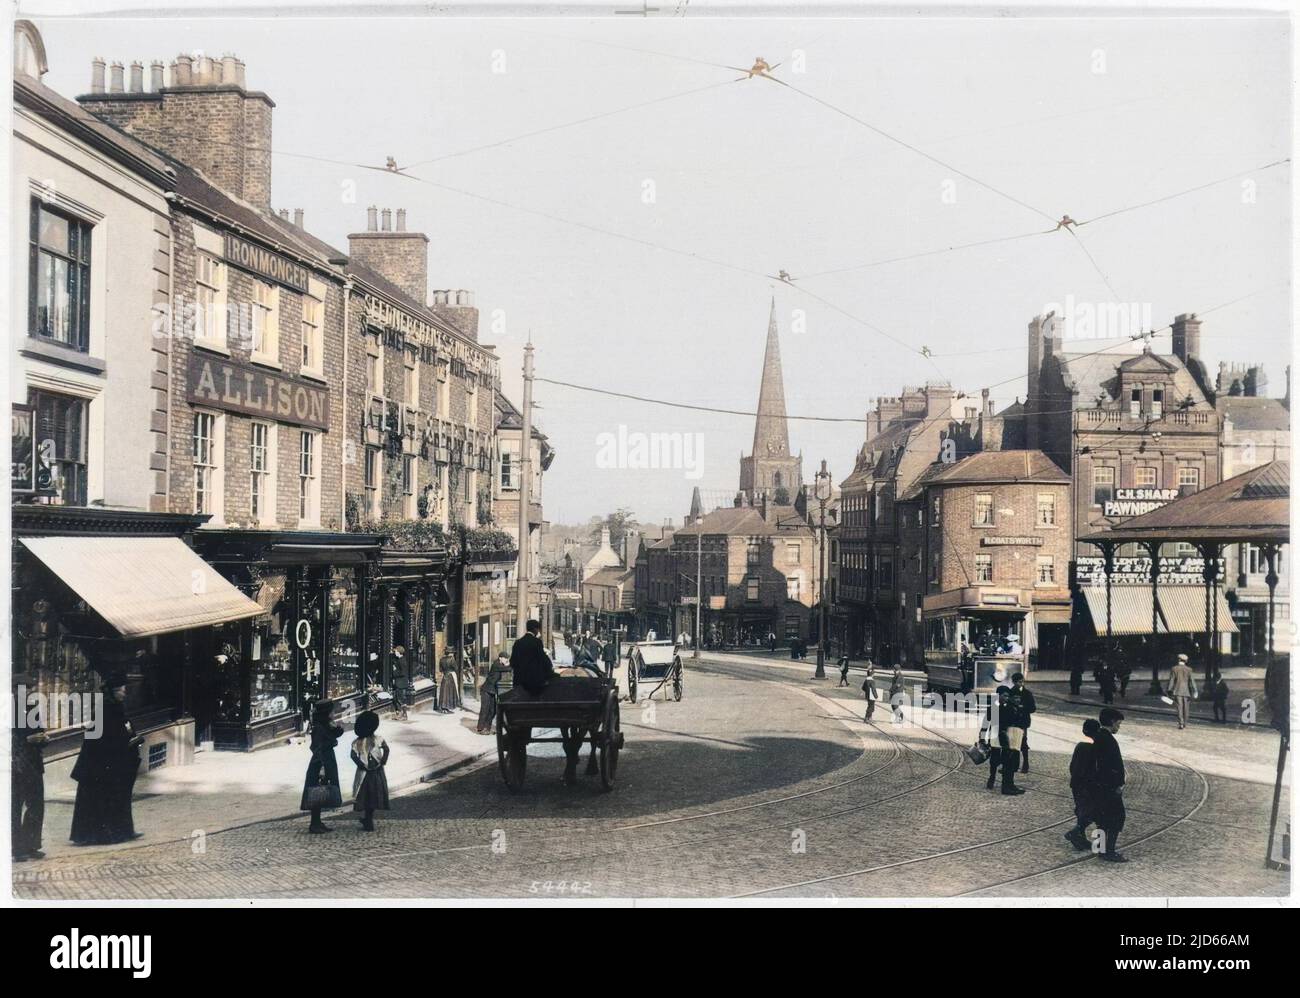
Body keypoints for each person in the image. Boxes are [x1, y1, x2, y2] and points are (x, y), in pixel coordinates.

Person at [70, 671, 143, 846]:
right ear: (113, 691)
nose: (124, 693)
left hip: (111, 761)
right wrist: (126, 739)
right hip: (100, 764)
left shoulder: (115, 707)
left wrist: (130, 737)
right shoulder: (104, 709)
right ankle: (100, 834)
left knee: (119, 795)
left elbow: (124, 728)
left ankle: (123, 830)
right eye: (121, 690)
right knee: (104, 798)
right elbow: (102, 737)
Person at [12, 678, 48, 861]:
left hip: (33, 764)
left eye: (28, 689)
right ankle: (16, 849)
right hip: (15, 766)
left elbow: (40, 730)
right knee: (14, 807)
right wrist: (27, 741)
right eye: (22, 689)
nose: (26, 692)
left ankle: (31, 845)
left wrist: (43, 738)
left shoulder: (33, 708)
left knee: (36, 805)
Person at [300, 700, 344, 834]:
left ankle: (317, 822)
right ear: (327, 712)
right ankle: (314, 823)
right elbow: (316, 747)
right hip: (321, 762)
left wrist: (334, 726)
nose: (334, 713)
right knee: (317, 791)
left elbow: (337, 734)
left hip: (327, 759)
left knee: (322, 791)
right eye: (332, 711)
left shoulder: (325, 725)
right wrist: (322, 768)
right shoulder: (319, 728)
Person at [1091, 707, 1127, 861]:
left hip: (1099, 786)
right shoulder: (1108, 740)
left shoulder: (1099, 736)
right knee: (1117, 817)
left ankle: (1100, 849)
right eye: (1118, 724)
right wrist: (1118, 785)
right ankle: (1108, 852)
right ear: (1112, 722)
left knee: (1102, 818)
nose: (1118, 727)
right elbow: (1111, 766)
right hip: (1109, 787)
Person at [350, 710, 390, 831]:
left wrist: (361, 765)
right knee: (374, 795)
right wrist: (383, 761)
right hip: (377, 772)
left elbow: (352, 755)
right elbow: (387, 749)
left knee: (365, 795)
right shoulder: (379, 739)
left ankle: (367, 819)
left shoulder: (357, 742)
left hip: (364, 773)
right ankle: (369, 818)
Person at [1065, 719, 1102, 850]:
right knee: (1090, 810)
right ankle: (1075, 832)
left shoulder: (1080, 745)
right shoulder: (1092, 746)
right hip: (1086, 785)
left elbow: (1073, 765)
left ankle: (1080, 837)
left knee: (1082, 809)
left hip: (1076, 783)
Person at [510, 619, 555, 695]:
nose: (538, 632)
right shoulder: (537, 642)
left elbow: (512, 662)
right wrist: (549, 670)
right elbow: (542, 659)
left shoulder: (518, 642)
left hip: (519, 681)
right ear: (535, 629)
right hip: (533, 683)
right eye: (538, 629)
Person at [1007, 672, 1037, 774]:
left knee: (1023, 742)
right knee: (1013, 743)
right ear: (1014, 682)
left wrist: (1022, 707)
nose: (1021, 684)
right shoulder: (1010, 692)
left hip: (1023, 722)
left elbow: (1033, 708)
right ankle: (1013, 765)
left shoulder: (1027, 694)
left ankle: (1025, 764)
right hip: (1013, 721)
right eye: (1019, 682)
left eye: (1022, 682)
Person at [477, 654, 509, 734]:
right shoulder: (496, 664)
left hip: (491, 691)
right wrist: (509, 665)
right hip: (486, 690)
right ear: (500, 658)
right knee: (485, 709)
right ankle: (481, 728)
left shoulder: (499, 664)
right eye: (505, 658)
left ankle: (487, 728)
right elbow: (508, 668)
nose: (506, 660)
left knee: (493, 710)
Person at [1167, 652, 1198, 730]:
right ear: (1185, 661)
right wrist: (1195, 691)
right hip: (1187, 691)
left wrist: (1169, 690)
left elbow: (1171, 680)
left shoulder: (1174, 668)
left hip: (1177, 691)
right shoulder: (1189, 669)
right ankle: (1185, 723)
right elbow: (1192, 681)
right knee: (1186, 708)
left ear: (1179, 659)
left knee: (1179, 708)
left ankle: (1181, 723)